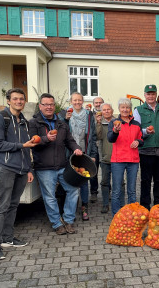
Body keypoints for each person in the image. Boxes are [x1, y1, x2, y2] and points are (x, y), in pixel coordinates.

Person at [0, 88, 36, 260]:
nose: (19, 102)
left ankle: (7, 238)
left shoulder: (24, 120)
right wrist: (22, 145)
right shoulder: (0, 119)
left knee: (13, 205)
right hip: (6, 168)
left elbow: (28, 147)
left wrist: (29, 169)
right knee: (1, 207)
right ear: (8, 100)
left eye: (21, 99)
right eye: (15, 99)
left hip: (22, 170)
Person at [29, 93, 83, 235]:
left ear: (55, 106)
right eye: (46, 104)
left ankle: (68, 220)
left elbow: (69, 140)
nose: (49, 107)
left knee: (73, 190)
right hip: (44, 167)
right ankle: (57, 224)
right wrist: (45, 138)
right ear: (40, 106)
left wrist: (76, 148)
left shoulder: (61, 124)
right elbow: (31, 142)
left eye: (51, 104)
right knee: (50, 197)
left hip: (62, 165)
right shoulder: (34, 123)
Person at [62, 92, 98, 221]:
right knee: (70, 180)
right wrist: (66, 119)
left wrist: (93, 154)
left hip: (84, 152)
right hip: (69, 152)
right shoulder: (65, 113)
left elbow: (93, 136)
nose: (77, 102)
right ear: (71, 101)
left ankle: (84, 207)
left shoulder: (89, 115)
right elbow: (62, 131)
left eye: (79, 100)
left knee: (83, 180)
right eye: (74, 100)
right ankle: (71, 209)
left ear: (82, 101)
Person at [133, 85, 159, 210]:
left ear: (156, 95)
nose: (150, 96)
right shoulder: (138, 110)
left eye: (153, 94)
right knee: (145, 180)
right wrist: (146, 132)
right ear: (144, 95)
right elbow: (136, 131)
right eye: (148, 94)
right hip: (146, 151)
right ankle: (145, 206)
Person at [108, 98, 143, 215]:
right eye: (123, 107)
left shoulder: (136, 124)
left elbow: (141, 139)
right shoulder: (114, 123)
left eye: (127, 107)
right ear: (119, 109)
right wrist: (115, 132)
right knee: (117, 190)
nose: (125, 109)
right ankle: (116, 215)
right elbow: (110, 139)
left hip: (133, 160)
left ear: (130, 109)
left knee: (132, 190)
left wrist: (138, 141)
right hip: (118, 160)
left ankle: (132, 215)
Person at [95, 102, 119, 214]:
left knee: (119, 183)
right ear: (101, 112)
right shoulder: (100, 123)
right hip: (105, 158)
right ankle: (105, 204)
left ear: (112, 110)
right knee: (104, 182)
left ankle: (119, 204)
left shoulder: (118, 123)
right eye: (104, 110)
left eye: (108, 109)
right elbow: (98, 136)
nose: (106, 111)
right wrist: (98, 123)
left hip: (118, 158)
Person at [89, 96, 105, 202]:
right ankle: (94, 192)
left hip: (104, 147)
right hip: (93, 146)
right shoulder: (89, 115)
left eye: (100, 102)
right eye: (96, 103)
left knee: (106, 171)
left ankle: (106, 191)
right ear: (93, 104)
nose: (98, 104)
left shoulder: (106, 114)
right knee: (93, 171)